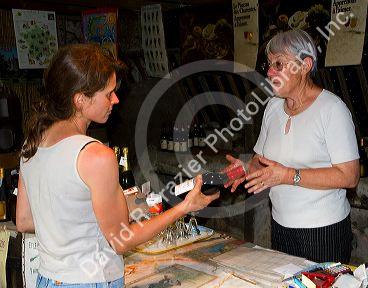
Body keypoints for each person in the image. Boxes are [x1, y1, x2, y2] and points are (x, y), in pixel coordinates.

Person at [16, 44, 219, 287]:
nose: (116, 99)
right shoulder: (95, 155)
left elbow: (25, 220)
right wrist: (184, 207)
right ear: (80, 99)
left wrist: (117, 205)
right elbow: (122, 240)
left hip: (48, 279)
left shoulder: (33, 142)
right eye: (108, 93)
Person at [224, 30, 359, 263]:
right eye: (269, 64)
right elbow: (261, 160)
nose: (269, 71)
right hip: (280, 225)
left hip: (323, 230)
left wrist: (287, 175)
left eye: (279, 64)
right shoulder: (273, 108)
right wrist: (248, 169)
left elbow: (349, 177)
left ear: (305, 65)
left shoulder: (332, 110)